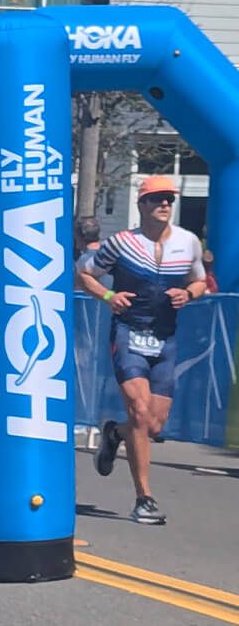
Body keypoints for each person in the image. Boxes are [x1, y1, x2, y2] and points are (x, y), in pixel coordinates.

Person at [79, 175, 207, 524]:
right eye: (157, 199)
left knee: (152, 425)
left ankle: (114, 434)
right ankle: (144, 499)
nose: (165, 204)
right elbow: (85, 274)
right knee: (138, 409)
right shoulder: (121, 243)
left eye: (169, 199)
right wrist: (108, 296)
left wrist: (190, 293)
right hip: (128, 332)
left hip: (165, 338)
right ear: (142, 205)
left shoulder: (188, 242)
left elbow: (199, 280)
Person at [74, 217, 113, 290]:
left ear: (79, 237)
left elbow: (79, 287)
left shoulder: (82, 260)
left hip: (95, 300)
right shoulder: (110, 255)